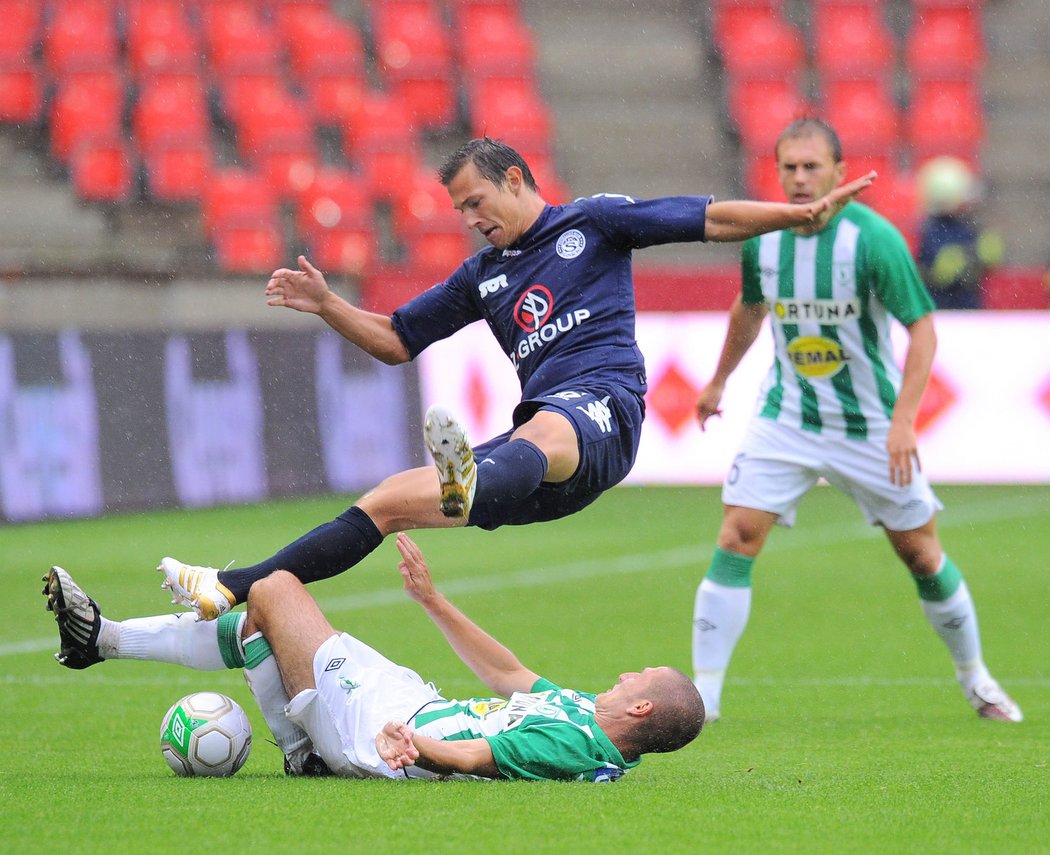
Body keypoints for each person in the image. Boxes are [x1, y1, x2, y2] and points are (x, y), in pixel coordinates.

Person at [158, 136, 876, 621]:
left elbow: (710, 220)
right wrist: (328, 304)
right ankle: (228, 586)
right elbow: (397, 340)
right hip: (526, 464)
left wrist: (797, 213)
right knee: (381, 501)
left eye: (476, 202)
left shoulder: (595, 224)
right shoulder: (482, 276)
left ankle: (469, 478)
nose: (471, 219)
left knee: (545, 425)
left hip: (602, 410)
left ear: (514, 178)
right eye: (459, 210)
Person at [690, 119, 1022, 724]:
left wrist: (904, 422)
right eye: (788, 166)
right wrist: (719, 381)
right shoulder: (763, 237)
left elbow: (922, 329)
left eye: (811, 166)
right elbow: (751, 305)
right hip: (785, 416)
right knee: (738, 533)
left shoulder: (874, 240)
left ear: (839, 173)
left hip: (869, 425)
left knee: (921, 553)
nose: (798, 178)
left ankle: (977, 679)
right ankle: (705, 695)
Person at [43, 533, 704, 782]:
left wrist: (415, 745)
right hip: (411, 701)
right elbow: (507, 673)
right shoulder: (582, 714)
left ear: (642, 705)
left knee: (274, 590)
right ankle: (101, 639)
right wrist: (433, 599)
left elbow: (483, 757)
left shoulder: (574, 745)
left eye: (637, 676)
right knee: (255, 629)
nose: (625, 672)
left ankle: (115, 633)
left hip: (385, 728)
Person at [915, 155, 1003, 310]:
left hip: (968, 310)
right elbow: (943, 270)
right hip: (943, 312)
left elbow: (990, 259)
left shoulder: (967, 225)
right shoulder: (930, 230)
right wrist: (974, 256)